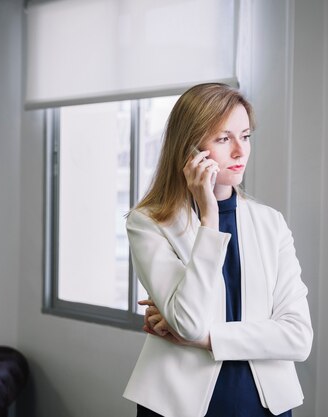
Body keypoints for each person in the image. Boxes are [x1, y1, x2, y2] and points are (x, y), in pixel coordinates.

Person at [122, 83, 313, 417]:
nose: (240, 151)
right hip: (176, 405)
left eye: (246, 136)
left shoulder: (272, 223)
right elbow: (189, 322)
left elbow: (298, 338)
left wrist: (207, 339)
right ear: (190, 149)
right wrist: (209, 218)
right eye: (224, 139)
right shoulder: (148, 223)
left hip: (266, 404)